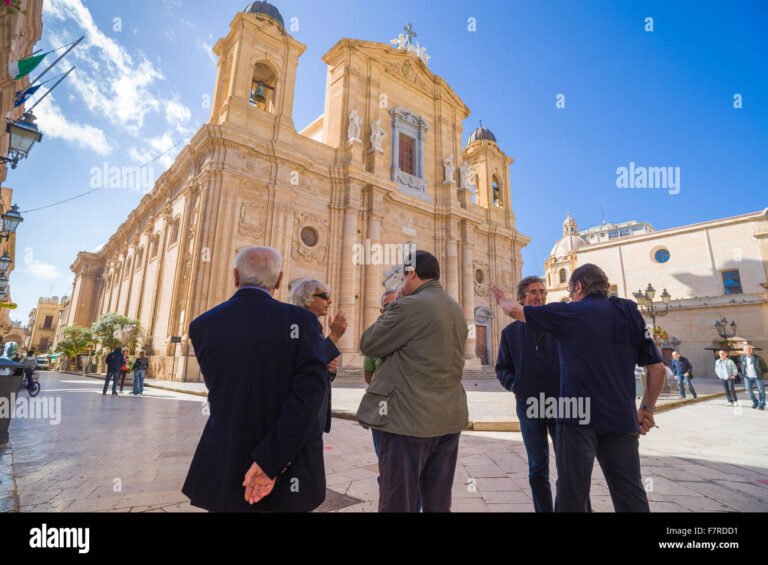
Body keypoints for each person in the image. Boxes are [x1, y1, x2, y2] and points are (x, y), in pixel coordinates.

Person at [492, 263, 666, 513]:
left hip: (576, 415)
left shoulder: (568, 314)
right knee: (630, 492)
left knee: (571, 491)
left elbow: (512, 310)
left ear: (579, 287)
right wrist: (647, 409)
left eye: (571, 291)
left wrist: (502, 299)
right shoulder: (629, 310)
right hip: (621, 417)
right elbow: (657, 368)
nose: (570, 296)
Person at [182, 246, 328, 512]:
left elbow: (229, 387)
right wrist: (269, 463)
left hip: (227, 458)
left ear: (235, 277)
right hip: (289, 465)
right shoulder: (302, 321)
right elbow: (309, 398)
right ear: (280, 279)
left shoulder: (202, 325)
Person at [357, 250, 469, 512]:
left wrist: (394, 304)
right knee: (438, 500)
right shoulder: (455, 308)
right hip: (448, 419)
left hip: (408, 422)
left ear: (412, 273)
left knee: (399, 500)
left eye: (403, 277)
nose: (401, 283)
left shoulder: (408, 305)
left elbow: (369, 344)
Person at [495, 276, 560, 512]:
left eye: (542, 291)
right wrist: (516, 386)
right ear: (521, 298)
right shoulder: (510, 333)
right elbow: (502, 368)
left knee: (569, 465)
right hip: (529, 404)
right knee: (537, 466)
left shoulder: (559, 326)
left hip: (562, 403)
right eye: (533, 292)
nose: (539, 296)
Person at [287, 278, 348, 433]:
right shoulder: (296, 324)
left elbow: (316, 364)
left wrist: (331, 370)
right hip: (301, 414)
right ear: (308, 298)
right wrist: (334, 336)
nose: (331, 300)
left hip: (311, 415)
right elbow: (308, 362)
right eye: (325, 295)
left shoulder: (312, 325)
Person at [362, 289, 398, 457]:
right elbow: (368, 374)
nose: (391, 309)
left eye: (395, 304)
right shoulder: (374, 337)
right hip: (381, 407)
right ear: (381, 311)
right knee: (383, 456)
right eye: (387, 306)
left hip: (407, 410)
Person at [739, 344, 766, 410]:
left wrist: (760, 373)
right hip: (747, 377)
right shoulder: (742, 357)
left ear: (751, 350)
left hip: (757, 377)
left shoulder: (758, 358)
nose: (748, 350)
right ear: (744, 350)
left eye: (749, 349)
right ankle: (755, 402)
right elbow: (741, 365)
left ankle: (761, 404)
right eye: (746, 349)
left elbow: (764, 368)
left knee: (761, 390)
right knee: (748, 389)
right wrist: (742, 373)